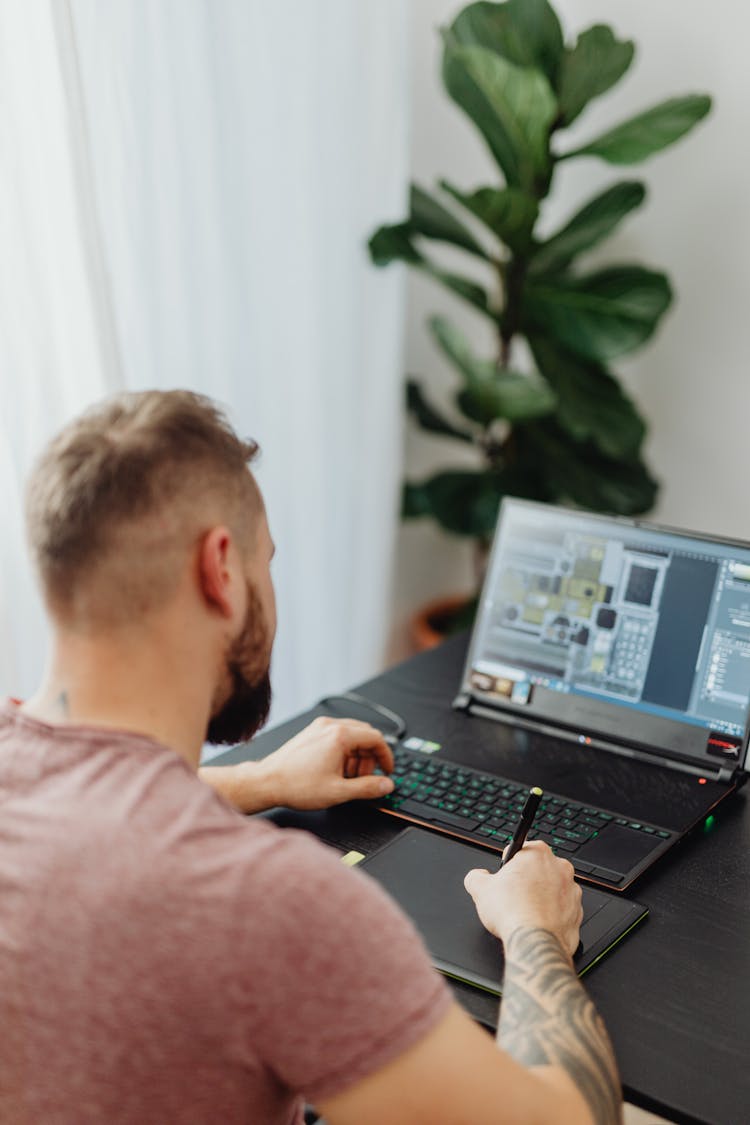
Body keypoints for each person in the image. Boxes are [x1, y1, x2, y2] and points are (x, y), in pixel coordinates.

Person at [0, 389, 622, 1125]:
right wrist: (535, 932)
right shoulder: (266, 903)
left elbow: (83, 805)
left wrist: (259, 779)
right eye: (268, 560)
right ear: (221, 569)